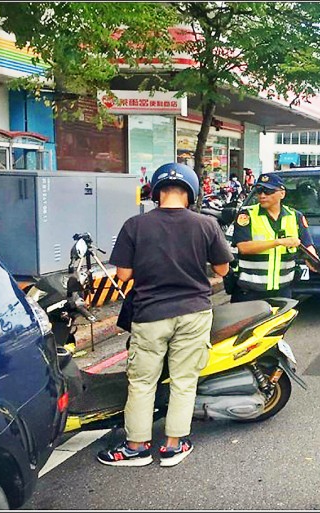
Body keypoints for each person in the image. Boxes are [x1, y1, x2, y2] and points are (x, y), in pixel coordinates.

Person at [97, 163, 232, 468]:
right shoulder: (206, 225)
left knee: (143, 382)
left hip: (150, 313)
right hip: (194, 312)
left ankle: (136, 447)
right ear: (190, 192)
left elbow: (123, 273)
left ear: (156, 192)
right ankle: (173, 445)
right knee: (185, 380)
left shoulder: (135, 225)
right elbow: (223, 269)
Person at [229, 172, 317, 303]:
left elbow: (307, 245)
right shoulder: (246, 215)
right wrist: (279, 242)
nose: (262, 195)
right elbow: (243, 247)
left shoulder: (295, 216)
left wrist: (313, 260)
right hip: (249, 291)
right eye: (259, 191)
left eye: (268, 191)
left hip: (282, 290)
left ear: (282, 193)